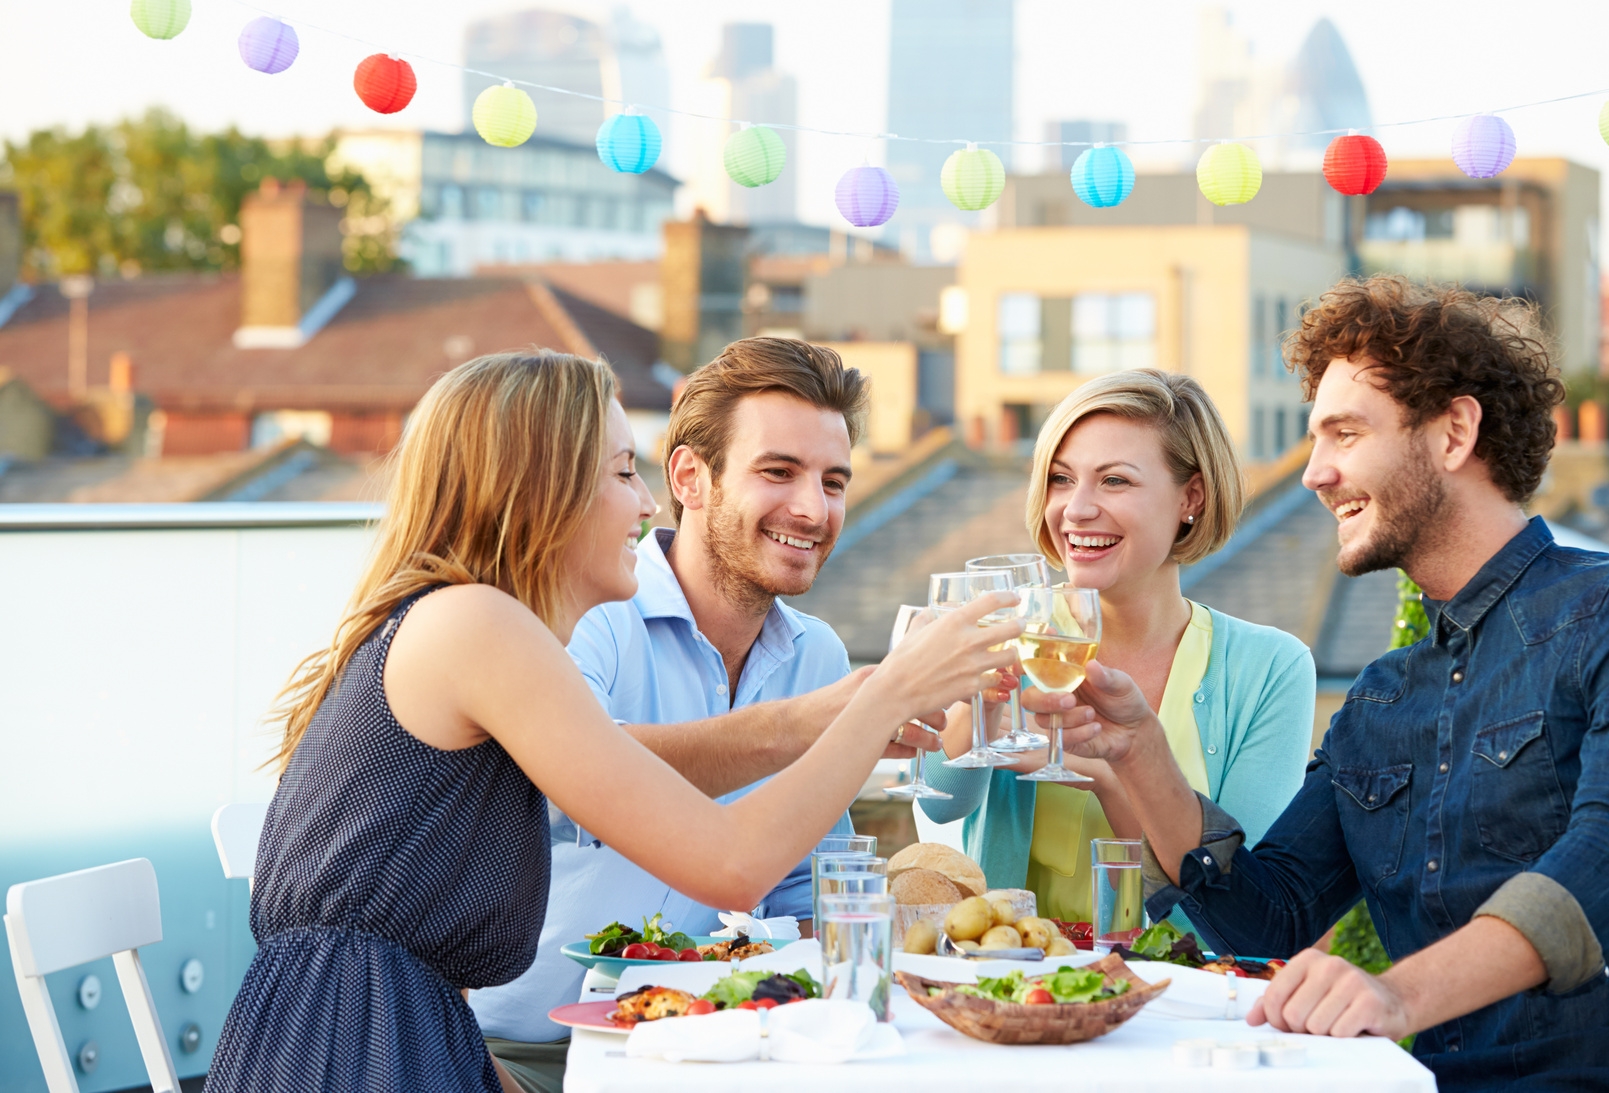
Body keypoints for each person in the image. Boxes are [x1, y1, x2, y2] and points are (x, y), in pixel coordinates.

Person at [203, 350, 1019, 1093]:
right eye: (624, 471)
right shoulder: (479, 627)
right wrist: (884, 694)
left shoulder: (471, 628)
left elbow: (411, 966)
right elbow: (731, 864)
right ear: (540, 487)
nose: (648, 502)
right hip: (344, 1059)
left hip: (385, 1044)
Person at [1030, 277, 1609, 1090]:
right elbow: (1264, 922)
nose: (1314, 473)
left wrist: (1395, 994)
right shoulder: (1379, 699)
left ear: (1454, 432)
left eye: (1343, 433)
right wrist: (1139, 753)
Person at [469, 336, 933, 1091]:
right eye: (778, 472)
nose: (813, 509)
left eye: (834, 480)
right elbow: (563, 781)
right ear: (690, 476)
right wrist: (831, 718)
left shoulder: (816, 654)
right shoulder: (584, 616)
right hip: (515, 1050)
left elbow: (800, 890)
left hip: (703, 1047)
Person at [919, 370, 1314, 927]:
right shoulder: (1015, 634)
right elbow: (939, 800)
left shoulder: (1270, 669)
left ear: (1191, 497)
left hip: (1188, 993)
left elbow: (1238, 906)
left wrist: (1107, 775)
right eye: (1061, 479)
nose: (1076, 509)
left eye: (1114, 481)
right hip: (1021, 986)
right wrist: (977, 707)